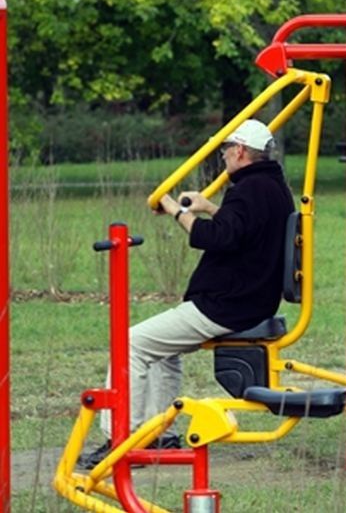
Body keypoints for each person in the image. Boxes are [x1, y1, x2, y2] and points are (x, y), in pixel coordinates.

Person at [78, 119, 295, 468]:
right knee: (164, 351)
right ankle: (156, 434)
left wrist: (177, 211)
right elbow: (241, 229)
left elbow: (215, 238)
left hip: (227, 305)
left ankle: (121, 440)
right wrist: (208, 207)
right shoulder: (272, 187)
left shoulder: (249, 190)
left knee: (131, 343)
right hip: (248, 299)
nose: (223, 157)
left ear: (240, 151)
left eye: (226, 150)